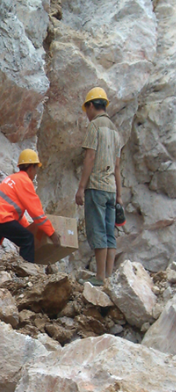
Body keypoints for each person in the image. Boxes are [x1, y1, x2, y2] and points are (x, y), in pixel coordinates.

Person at [0, 149, 61, 276]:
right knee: (27, 240)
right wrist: (52, 234)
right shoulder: (25, 182)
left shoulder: (12, 179)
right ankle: (25, 277)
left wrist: (28, 228)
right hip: (0, 219)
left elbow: (16, 213)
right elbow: (37, 214)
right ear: (31, 168)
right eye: (36, 168)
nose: (36, 172)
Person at [74, 87, 123, 285]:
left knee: (97, 231)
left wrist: (81, 187)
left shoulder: (95, 126)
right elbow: (118, 167)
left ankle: (100, 277)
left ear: (92, 105)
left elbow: (90, 157)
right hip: (111, 189)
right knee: (110, 232)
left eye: (86, 109)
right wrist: (119, 196)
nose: (86, 114)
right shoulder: (115, 131)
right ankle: (109, 276)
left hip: (96, 187)